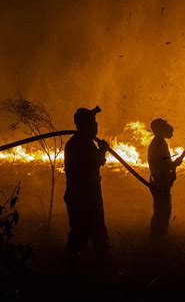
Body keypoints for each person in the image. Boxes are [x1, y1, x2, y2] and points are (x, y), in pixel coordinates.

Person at [63, 106, 109, 275]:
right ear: (83, 124)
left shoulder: (83, 142)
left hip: (88, 194)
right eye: (93, 122)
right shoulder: (79, 143)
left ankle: (98, 269)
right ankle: (73, 271)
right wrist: (102, 150)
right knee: (81, 232)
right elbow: (93, 163)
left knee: (95, 232)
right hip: (83, 195)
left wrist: (100, 150)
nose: (96, 126)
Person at [147, 118, 183, 242]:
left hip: (159, 182)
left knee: (162, 210)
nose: (168, 128)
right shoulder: (159, 144)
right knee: (162, 211)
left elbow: (163, 163)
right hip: (160, 183)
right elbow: (163, 165)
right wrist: (175, 164)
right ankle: (158, 239)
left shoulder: (160, 142)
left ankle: (158, 238)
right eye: (164, 126)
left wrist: (173, 166)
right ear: (158, 129)